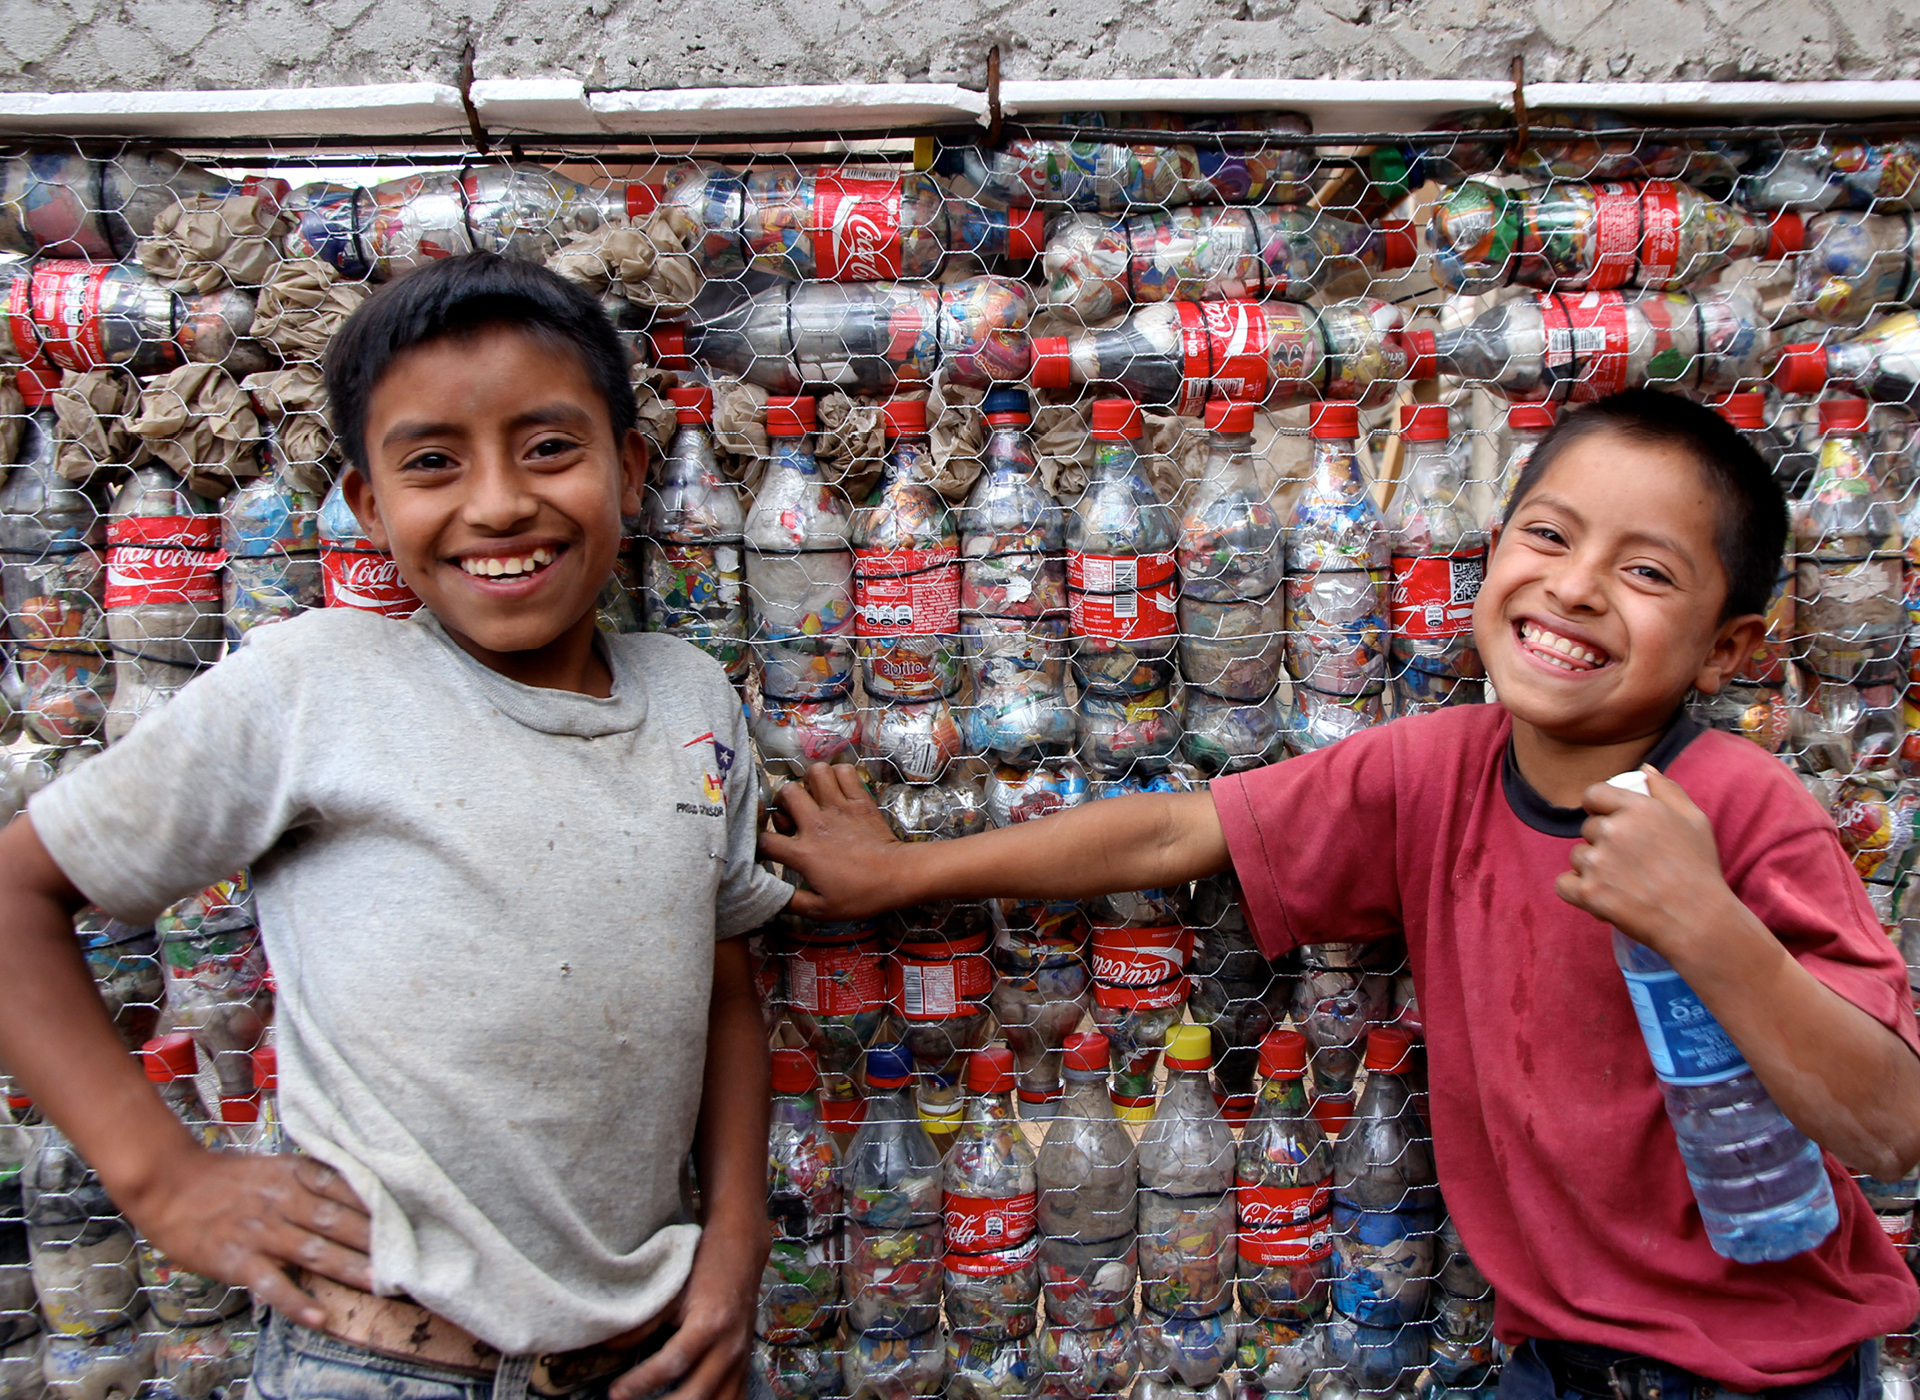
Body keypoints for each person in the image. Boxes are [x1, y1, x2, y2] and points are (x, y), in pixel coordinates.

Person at [765, 389, 1920, 1395]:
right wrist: (904, 870)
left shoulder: (1747, 808)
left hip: (1767, 1365)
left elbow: (1890, 1119)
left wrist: (1707, 923)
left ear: (1728, 649)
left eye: (1646, 570)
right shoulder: (1439, 773)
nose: (1574, 587)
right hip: (1548, 1359)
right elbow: (1177, 827)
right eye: (1549, 534)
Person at [0, 254, 791, 1400]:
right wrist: (160, 1175)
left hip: (654, 1346)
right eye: (432, 462)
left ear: (628, 470)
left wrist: (735, 1236)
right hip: (373, 1354)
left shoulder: (690, 698)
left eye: (548, 447)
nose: (499, 502)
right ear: (368, 505)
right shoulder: (313, 684)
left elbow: (718, 981)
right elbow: (17, 897)